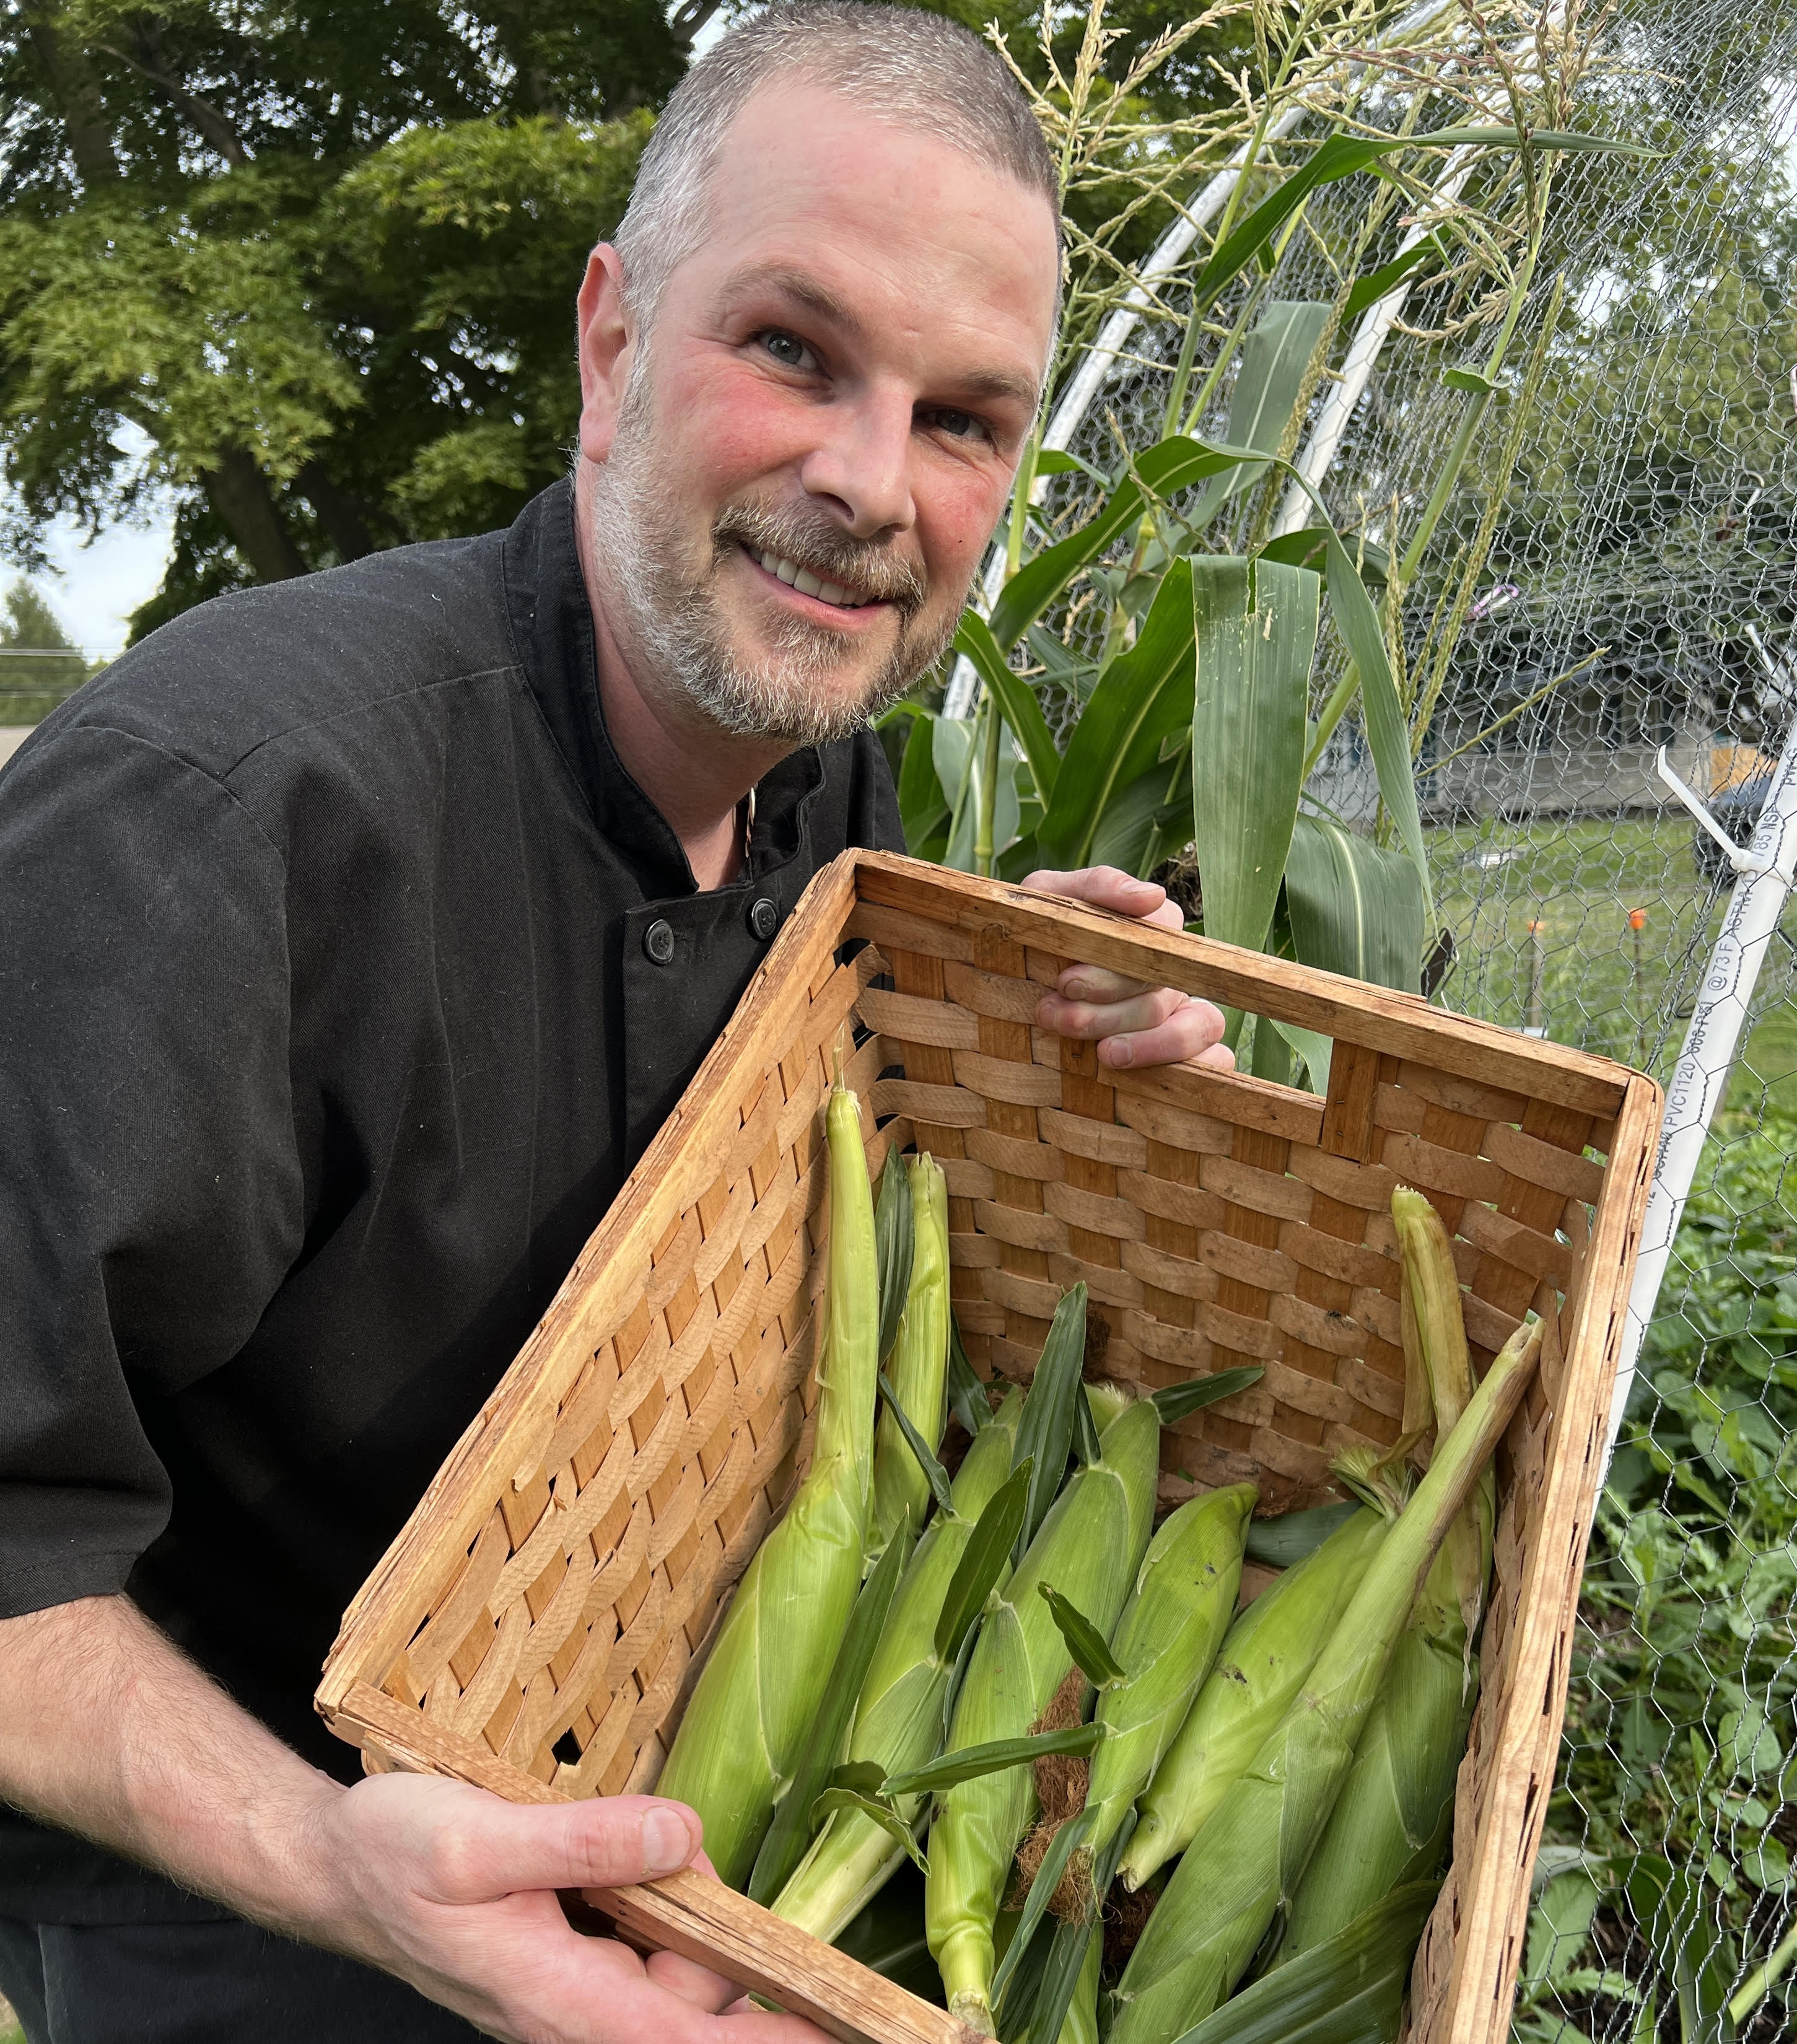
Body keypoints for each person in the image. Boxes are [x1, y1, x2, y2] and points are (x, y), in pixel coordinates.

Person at [0, 7, 1230, 2040]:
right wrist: (332, 1866)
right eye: (792, 350)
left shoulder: (824, 778)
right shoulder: (224, 824)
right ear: (610, 342)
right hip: (241, 1858)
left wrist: (986, 987)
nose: (868, 485)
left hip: (629, 1743)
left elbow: (746, 1121)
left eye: (962, 418)